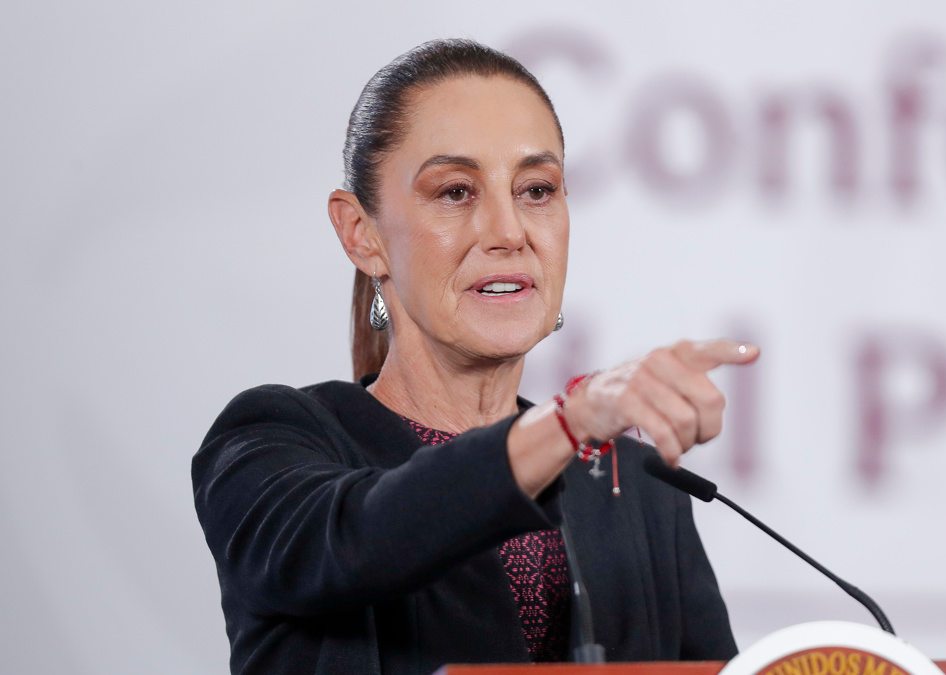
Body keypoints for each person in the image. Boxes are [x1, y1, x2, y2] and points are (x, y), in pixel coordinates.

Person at [192, 38, 760, 675]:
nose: (509, 232)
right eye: (457, 192)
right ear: (363, 234)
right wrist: (571, 419)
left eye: (537, 190)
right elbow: (360, 541)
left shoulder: (638, 483)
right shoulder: (273, 442)